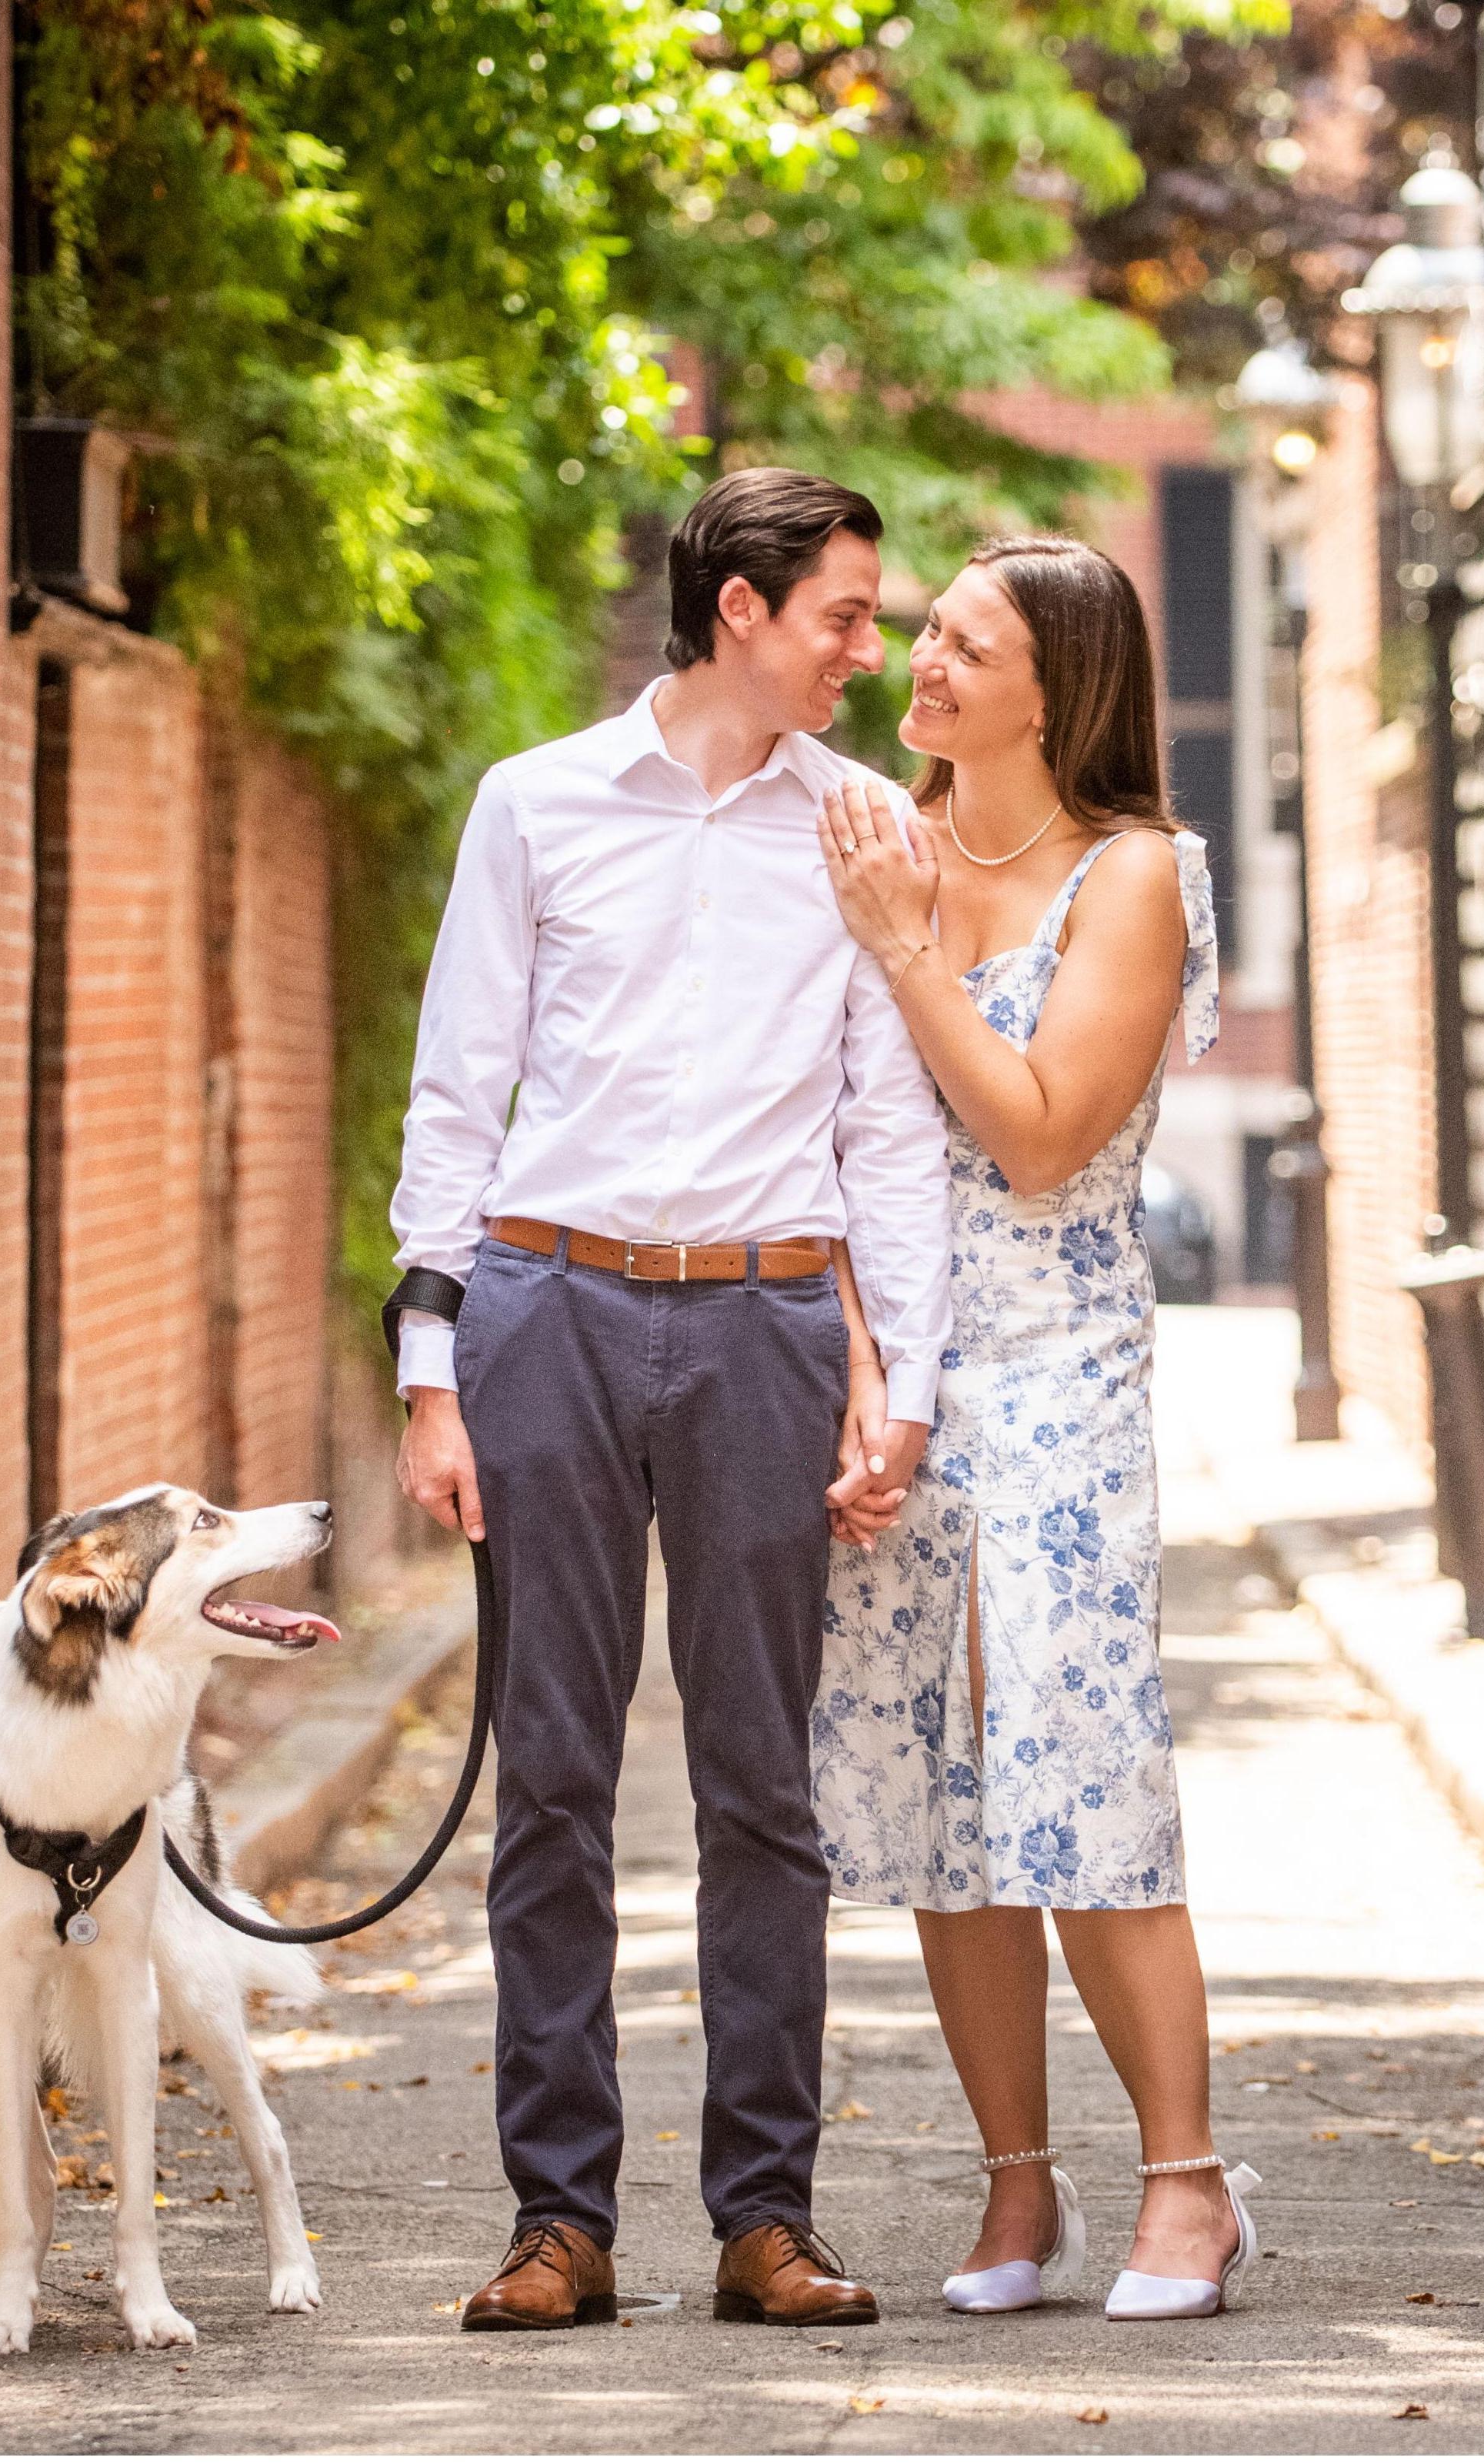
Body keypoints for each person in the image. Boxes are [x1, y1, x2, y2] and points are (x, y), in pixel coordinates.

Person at [389, 468, 954, 2333]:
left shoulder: (860, 828)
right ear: (738, 610)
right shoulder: (534, 804)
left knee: (756, 1785)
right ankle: (559, 2218)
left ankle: (762, 2213)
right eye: (844, 617)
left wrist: (905, 1384)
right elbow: (458, 1087)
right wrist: (428, 1362)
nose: (869, 652)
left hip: (765, 1327)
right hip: (544, 1309)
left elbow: (886, 1128)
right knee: (549, 1777)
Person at [808, 535, 1258, 2323]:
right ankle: (1016, 2185)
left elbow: (1042, 1135)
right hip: (896, 1383)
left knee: (1080, 1768)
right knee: (934, 1791)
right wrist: (857, 1371)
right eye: (919, 631)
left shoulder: (1132, 873)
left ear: (1053, 686)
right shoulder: (877, 850)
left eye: (958, 643)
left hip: (1061, 1367)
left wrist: (908, 956)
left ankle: (1187, 2181)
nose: (916, 662)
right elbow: (823, 1144)